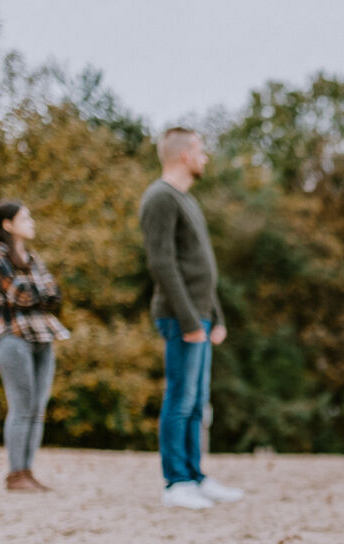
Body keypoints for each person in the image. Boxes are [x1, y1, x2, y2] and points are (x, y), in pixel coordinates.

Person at [139, 127, 245, 509]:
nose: (205, 157)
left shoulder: (186, 200)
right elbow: (162, 263)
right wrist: (187, 321)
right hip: (179, 317)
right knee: (180, 399)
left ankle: (196, 475)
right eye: (201, 150)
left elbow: (201, 267)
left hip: (200, 317)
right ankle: (176, 482)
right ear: (183, 155)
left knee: (198, 402)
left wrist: (214, 316)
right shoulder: (160, 198)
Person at [0, 201, 69, 492]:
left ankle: (27, 472)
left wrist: (39, 292)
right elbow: (20, 293)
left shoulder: (32, 258)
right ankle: (15, 474)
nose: (32, 221)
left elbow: (55, 294)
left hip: (43, 338)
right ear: (7, 224)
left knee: (37, 409)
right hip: (14, 338)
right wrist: (39, 292)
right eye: (25, 217)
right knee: (21, 408)